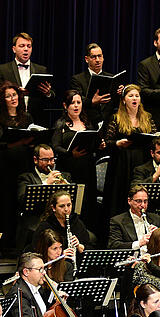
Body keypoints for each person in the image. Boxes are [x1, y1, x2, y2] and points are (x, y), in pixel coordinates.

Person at [102, 84, 156, 224]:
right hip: (122, 162)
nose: (134, 98)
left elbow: (155, 137)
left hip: (142, 160)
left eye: (137, 96)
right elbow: (107, 142)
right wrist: (117, 143)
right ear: (124, 100)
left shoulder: (147, 117)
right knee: (121, 194)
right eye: (130, 95)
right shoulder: (116, 118)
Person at [0, 82, 34, 250]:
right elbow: (2, 142)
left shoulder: (27, 117)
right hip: (6, 167)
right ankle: (3, 246)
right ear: (3, 100)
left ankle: (21, 244)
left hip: (24, 164)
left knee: (22, 203)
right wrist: (22, 141)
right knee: (5, 205)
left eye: (14, 95)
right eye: (8, 96)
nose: (12, 98)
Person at [51, 90, 99, 225]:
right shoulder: (60, 124)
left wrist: (98, 144)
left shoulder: (87, 123)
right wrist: (70, 153)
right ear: (65, 106)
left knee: (87, 200)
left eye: (79, 102)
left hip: (87, 168)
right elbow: (55, 146)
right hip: (69, 168)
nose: (76, 106)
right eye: (72, 103)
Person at [0, 33, 55, 126]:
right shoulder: (3, 69)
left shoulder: (41, 69)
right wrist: (16, 92)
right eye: (22, 46)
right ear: (14, 49)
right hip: (11, 120)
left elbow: (52, 98)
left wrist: (48, 93)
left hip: (36, 119)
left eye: (29, 46)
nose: (26, 49)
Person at [32, 190, 94, 267]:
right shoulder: (45, 226)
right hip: (54, 268)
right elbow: (37, 253)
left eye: (69, 205)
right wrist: (60, 255)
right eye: (62, 206)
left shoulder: (77, 223)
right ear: (53, 208)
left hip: (76, 265)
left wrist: (79, 246)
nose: (66, 209)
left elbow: (89, 246)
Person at [70, 43, 122, 128]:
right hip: (87, 123)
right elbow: (77, 99)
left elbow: (115, 102)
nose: (97, 60)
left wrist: (120, 93)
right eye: (93, 57)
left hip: (109, 124)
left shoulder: (111, 77)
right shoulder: (77, 79)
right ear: (87, 59)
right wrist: (92, 102)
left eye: (99, 56)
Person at [108, 184, 160, 251]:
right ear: (129, 201)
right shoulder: (117, 221)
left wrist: (159, 234)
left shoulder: (156, 219)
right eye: (139, 201)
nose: (143, 205)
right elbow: (114, 245)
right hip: (132, 259)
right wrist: (139, 243)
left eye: (145, 201)